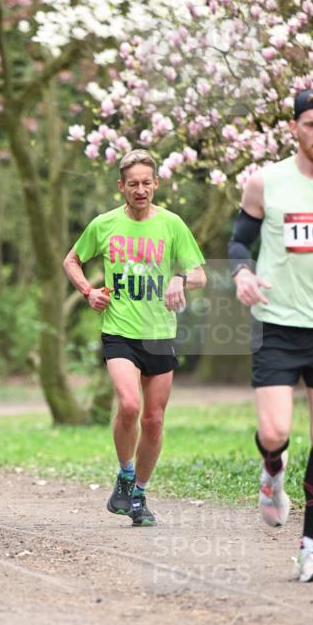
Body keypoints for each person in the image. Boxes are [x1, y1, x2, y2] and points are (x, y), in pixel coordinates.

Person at [63, 148, 206, 526]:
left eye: (146, 183)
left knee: (154, 420)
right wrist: (88, 291)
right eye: (132, 184)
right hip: (120, 331)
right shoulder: (104, 224)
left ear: (156, 183)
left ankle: (138, 494)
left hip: (160, 334)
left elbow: (200, 274)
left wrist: (179, 279)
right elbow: (71, 260)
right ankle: (125, 475)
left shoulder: (172, 224)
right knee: (129, 406)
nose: (140, 190)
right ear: (121, 187)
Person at [229, 88, 313, 583]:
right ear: (294, 128)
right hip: (277, 324)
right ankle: (272, 469)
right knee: (274, 433)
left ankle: (310, 549)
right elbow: (239, 241)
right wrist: (242, 274)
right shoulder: (265, 182)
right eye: (310, 124)